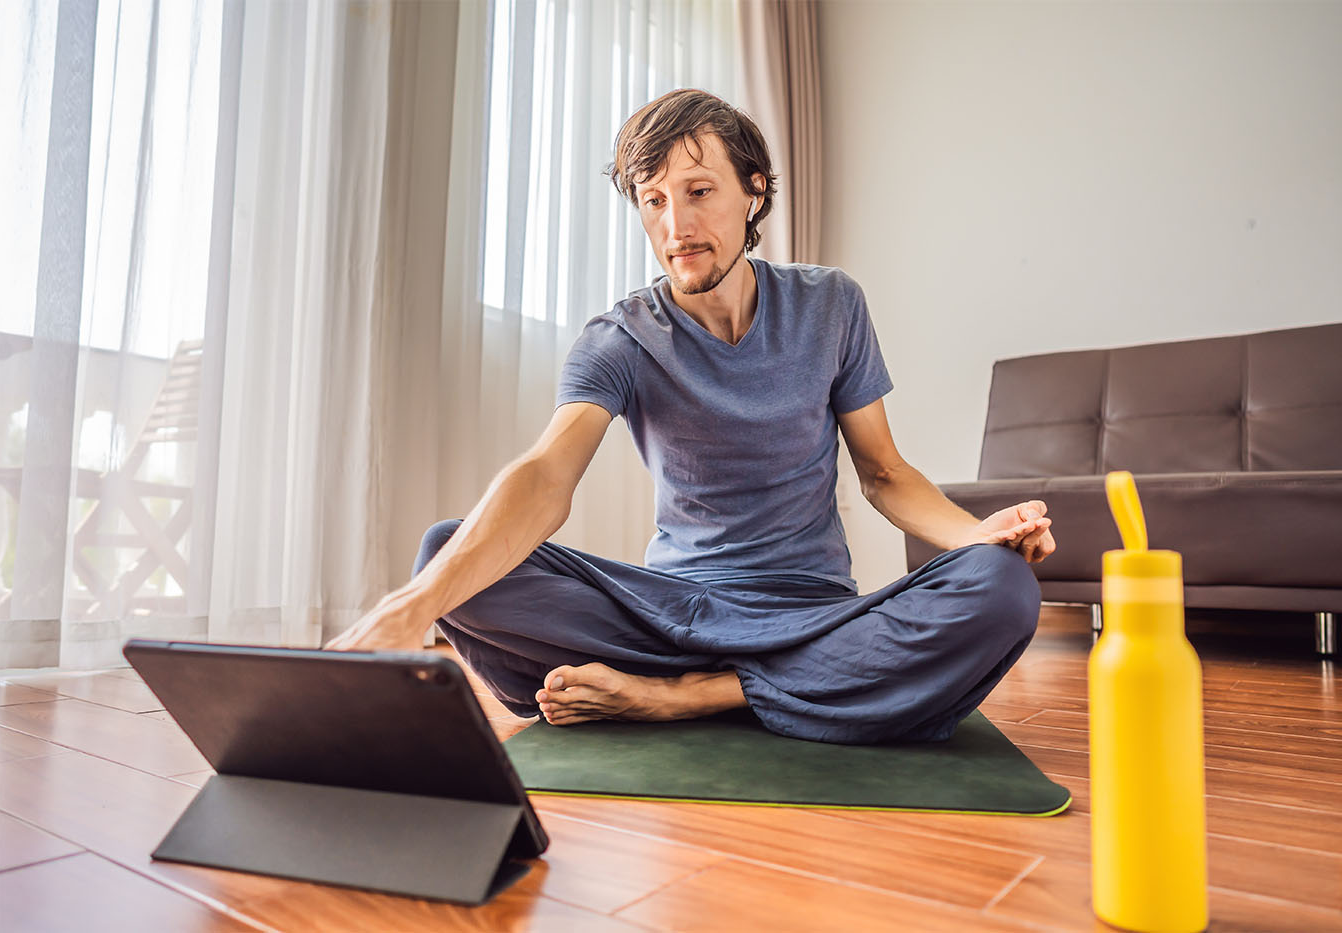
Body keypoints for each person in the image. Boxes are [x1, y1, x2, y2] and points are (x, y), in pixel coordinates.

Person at [328, 89, 1056, 744]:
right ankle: (796, 689)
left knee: (1002, 588)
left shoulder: (831, 304)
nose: (676, 224)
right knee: (447, 551)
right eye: (652, 200)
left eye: (699, 190)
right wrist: (412, 605)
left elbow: (886, 472)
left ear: (754, 192)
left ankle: (687, 698)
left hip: (812, 615)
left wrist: (977, 536)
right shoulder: (619, 337)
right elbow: (548, 472)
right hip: (671, 617)